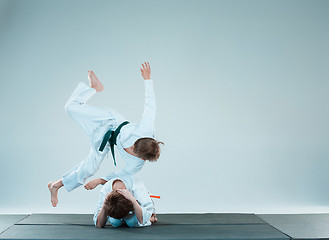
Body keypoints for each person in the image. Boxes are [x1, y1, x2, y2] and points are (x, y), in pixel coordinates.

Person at [48, 62, 163, 207]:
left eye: (134, 149)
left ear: (141, 157)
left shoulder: (136, 164)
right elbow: (150, 104)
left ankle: (56, 185)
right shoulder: (145, 129)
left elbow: (119, 175)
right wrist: (147, 79)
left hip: (106, 140)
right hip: (111, 120)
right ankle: (94, 88)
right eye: (135, 142)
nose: (132, 145)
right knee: (70, 108)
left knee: (90, 168)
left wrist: (98, 181)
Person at [92, 173, 158, 228]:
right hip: (119, 208)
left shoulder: (137, 187)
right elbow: (99, 224)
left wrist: (133, 200)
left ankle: (151, 219)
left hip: (139, 207)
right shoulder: (106, 190)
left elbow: (143, 218)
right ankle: (120, 219)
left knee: (131, 222)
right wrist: (104, 205)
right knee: (115, 222)